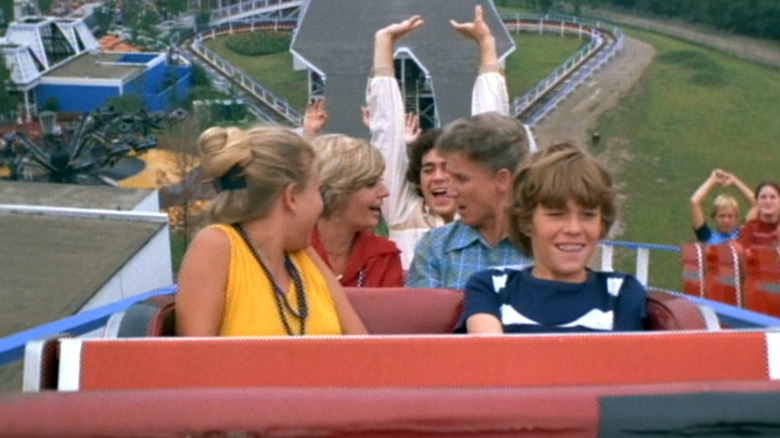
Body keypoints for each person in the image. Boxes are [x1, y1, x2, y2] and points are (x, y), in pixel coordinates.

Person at [367, 7, 536, 269]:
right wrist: (384, 45)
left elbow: (492, 134)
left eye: (450, 170)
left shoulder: (483, 215)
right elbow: (386, 131)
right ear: (416, 179)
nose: (438, 178)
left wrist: (487, 45)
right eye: (428, 169)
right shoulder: (403, 213)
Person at [176, 126, 367, 336]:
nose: (321, 205)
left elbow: (362, 347)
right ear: (291, 196)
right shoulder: (216, 246)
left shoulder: (306, 257)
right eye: (317, 190)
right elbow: (194, 361)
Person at [463, 142, 647, 334]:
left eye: (588, 215)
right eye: (557, 214)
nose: (574, 229)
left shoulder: (621, 293)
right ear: (526, 222)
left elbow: (624, 362)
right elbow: (491, 357)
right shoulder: (491, 287)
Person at [406, 111, 532, 289]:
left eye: (461, 179)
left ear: (502, 179)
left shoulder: (544, 246)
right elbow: (422, 316)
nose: (452, 190)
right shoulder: (435, 248)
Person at [311, 133, 404, 287]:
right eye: (370, 184)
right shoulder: (289, 252)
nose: (385, 192)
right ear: (337, 193)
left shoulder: (384, 255)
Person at [690, 169, 755, 245]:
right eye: (721, 216)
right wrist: (712, 180)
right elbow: (694, 202)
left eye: (730, 216)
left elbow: (757, 204)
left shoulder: (741, 234)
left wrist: (735, 181)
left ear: (736, 217)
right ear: (714, 217)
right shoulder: (706, 236)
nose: (726, 220)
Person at [737, 181, 780, 249]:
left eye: (773, 197)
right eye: (763, 197)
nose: (768, 202)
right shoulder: (748, 228)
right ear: (756, 202)